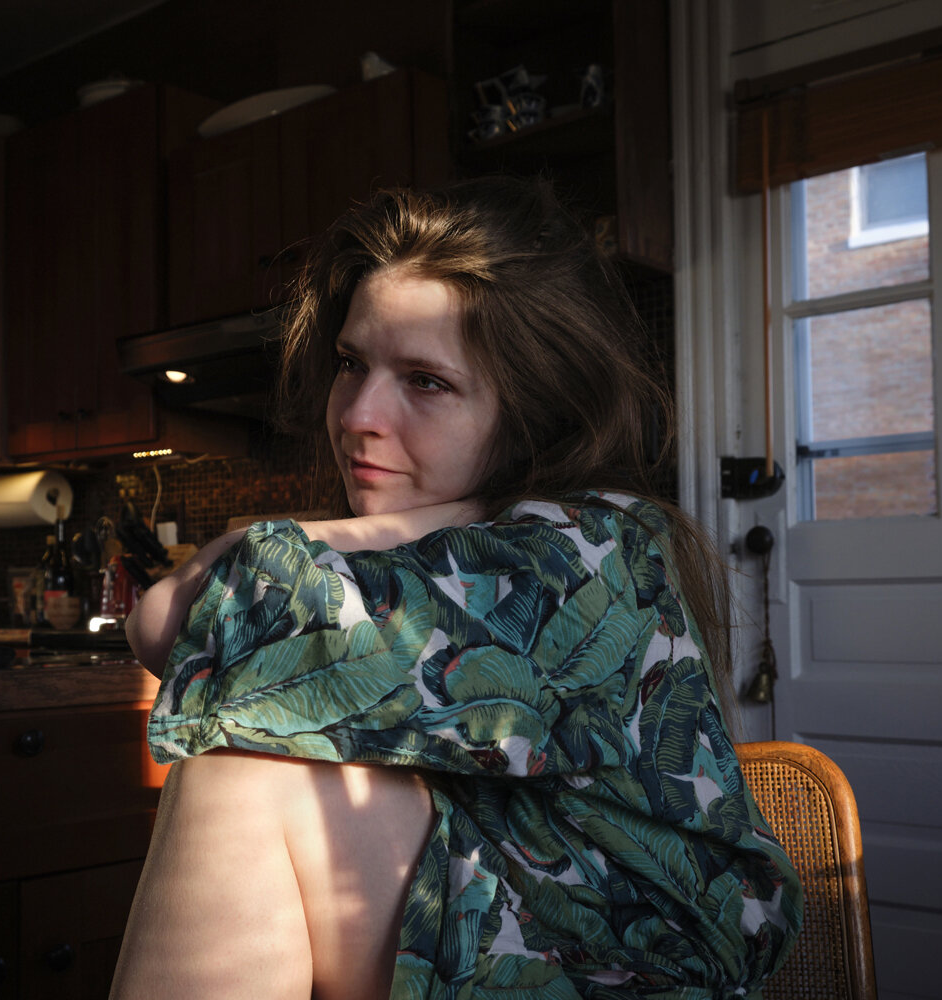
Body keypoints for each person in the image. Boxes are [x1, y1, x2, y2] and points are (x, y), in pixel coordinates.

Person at [112, 177, 802, 1000]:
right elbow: (164, 619)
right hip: (526, 923)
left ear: (531, 416)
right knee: (259, 753)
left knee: (238, 762)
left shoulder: (588, 550)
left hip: (634, 975)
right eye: (350, 363)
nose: (359, 414)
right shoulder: (475, 550)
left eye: (426, 381)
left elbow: (163, 618)